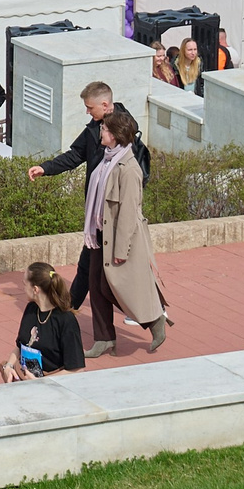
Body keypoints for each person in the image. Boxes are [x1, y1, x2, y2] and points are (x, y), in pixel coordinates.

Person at [80, 106, 166, 357]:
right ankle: (104, 339)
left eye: (104, 129)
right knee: (95, 287)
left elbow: (129, 212)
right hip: (98, 235)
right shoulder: (105, 157)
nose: (101, 132)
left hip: (117, 239)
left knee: (111, 287)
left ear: (115, 135)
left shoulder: (128, 169)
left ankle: (153, 319)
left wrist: (121, 249)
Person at [0, 261, 86, 381]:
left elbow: (77, 370)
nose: (23, 288)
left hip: (53, 387)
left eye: (25, 284)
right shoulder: (31, 309)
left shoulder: (66, 320)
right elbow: (20, 345)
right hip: (24, 379)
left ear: (35, 289)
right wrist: (8, 367)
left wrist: (40, 383)